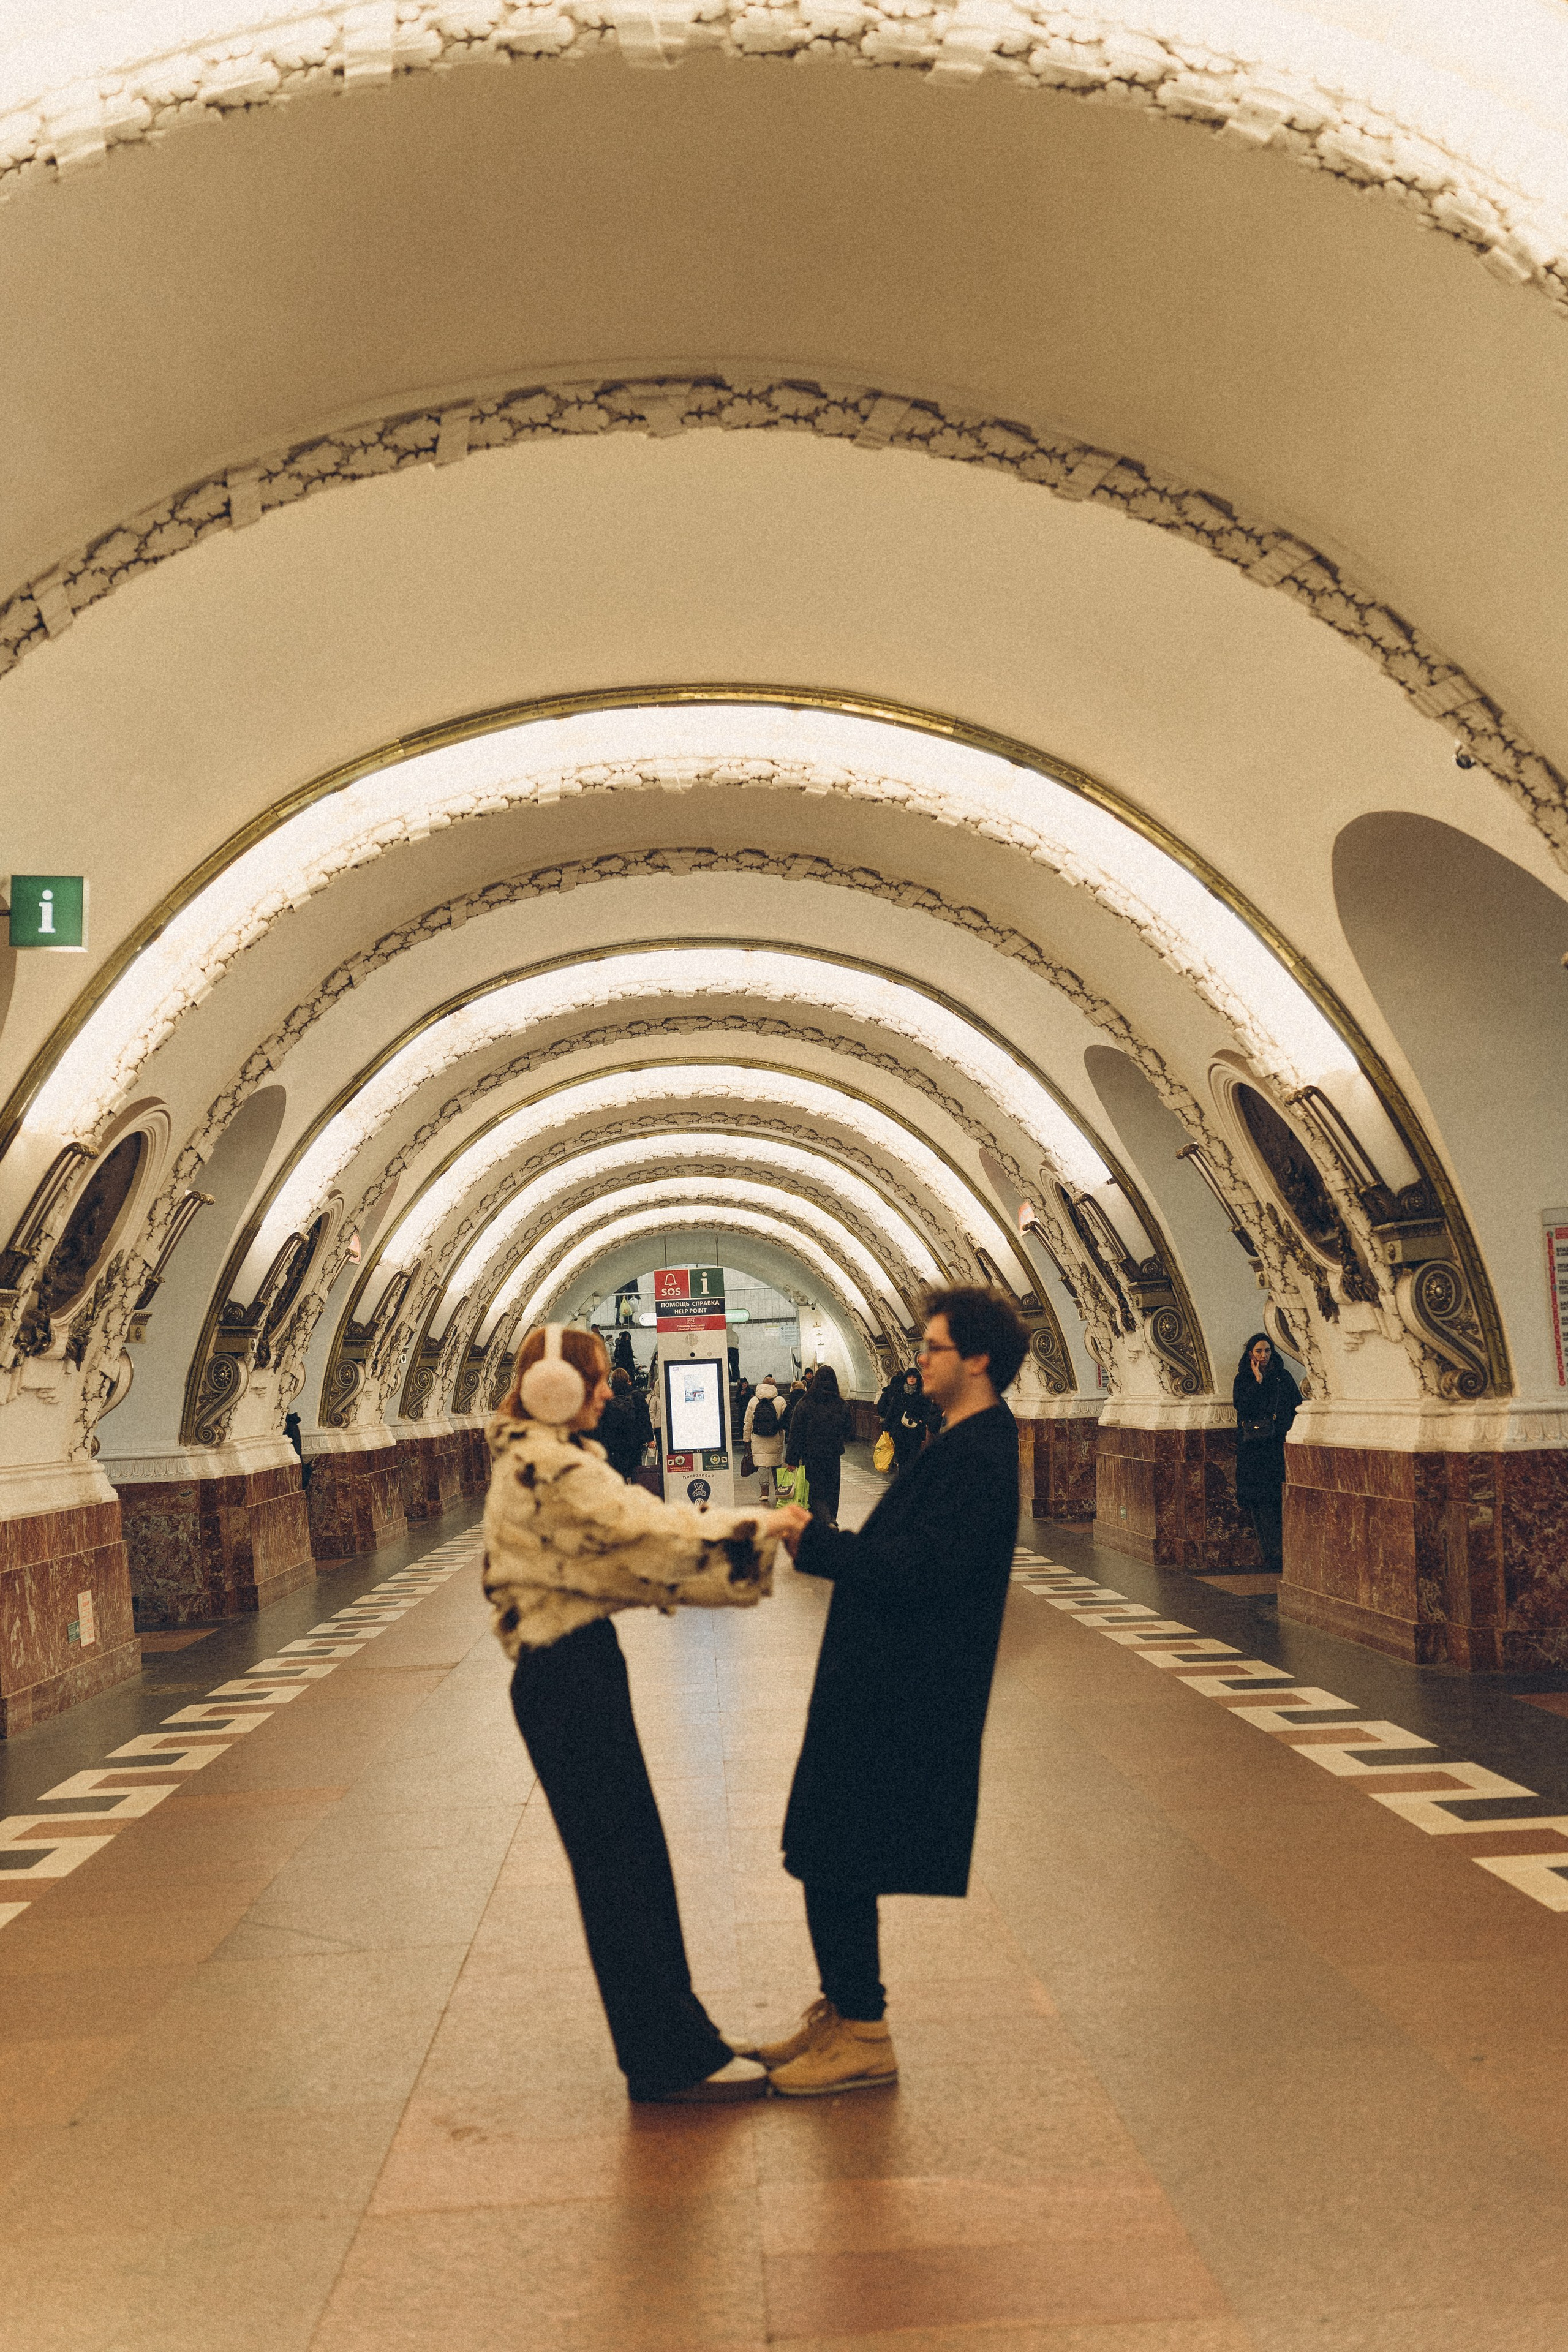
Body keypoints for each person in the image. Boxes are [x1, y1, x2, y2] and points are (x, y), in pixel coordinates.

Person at [483, 1321, 809, 2103]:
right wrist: (757, 1527)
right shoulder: (548, 1466)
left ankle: (679, 2035)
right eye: (593, 1379)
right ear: (554, 1389)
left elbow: (636, 1529)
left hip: (573, 1668)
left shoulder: (548, 1458)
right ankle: (666, 2059)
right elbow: (647, 1535)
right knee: (620, 1871)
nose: (604, 1391)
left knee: (633, 1863)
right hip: (566, 1678)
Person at [747, 1287, 1028, 2097]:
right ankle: (844, 2010)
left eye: (933, 1347)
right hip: (886, 1679)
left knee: (839, 1847)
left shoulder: (980, 1454)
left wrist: (821, 1544)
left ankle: (865, 2030)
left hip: (906, 1691)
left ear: (976, 1359)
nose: (920, 1361)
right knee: (831, 1846)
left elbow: (925, 1568)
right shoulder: (961, 1441)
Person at [1232, 1330, 1300, 1573]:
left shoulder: (1283, 1377)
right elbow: (1243, 1407)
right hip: (1254, 1451)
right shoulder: (1243, 1379)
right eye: (1259, 1351)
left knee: (1277, 1500)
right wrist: (1257, 1382)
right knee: (1260, 1503)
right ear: (1250, 1353)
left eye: (1267, 1350)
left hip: (1276, 1448)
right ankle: (1271, 1554)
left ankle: (1283, 1552)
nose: (1264, 1355)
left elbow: (1295, 1406)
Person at [785, 1362, 851, 1527]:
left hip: (811, 1456)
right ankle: (831, 1519)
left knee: (815, 1493)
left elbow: (796, 1433)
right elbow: (849, 1431)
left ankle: (825, 1522)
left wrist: (792, 1459)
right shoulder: (842, 1404)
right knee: (832, 1491)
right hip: (833, 1456)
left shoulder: (805, 1403)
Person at [596, 1365, 654, 1482]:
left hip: (614, 1443)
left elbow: (602, 1421)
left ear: (613, 1380)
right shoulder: (637, 1395)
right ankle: (636, 1495)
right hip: (634, 1441)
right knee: (636, 1471)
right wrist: (649, 1439)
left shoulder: (607, 1397)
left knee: (618, 1473)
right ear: (629, 1381)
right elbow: (644, 1419)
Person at [878, 1364, 937, 1476]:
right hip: (899, 1431)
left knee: (913, 1456)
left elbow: (928, 1411)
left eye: (914, 1377)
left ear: (917, 1379)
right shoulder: (900, 1394)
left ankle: (910, 1479)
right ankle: (902, 1478)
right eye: (909, 1376)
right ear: (906, 1378)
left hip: (915, 1431)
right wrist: (887, 1428)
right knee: (901, 1456)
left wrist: (922, 1420)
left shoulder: (923, 1395)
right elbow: (891, 1411)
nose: (911, 1379)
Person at [744, 1373, 787, 1503]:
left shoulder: (753, 1401)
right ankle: (779, 1491)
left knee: (763, 1465)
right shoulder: (780, 1401)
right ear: (775, 1386)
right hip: (776, 1437)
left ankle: (764, 1492)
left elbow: (748, 1422)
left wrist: (746, 1439)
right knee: (776, 1464)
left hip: (758, 1438)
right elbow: (785, 1420)